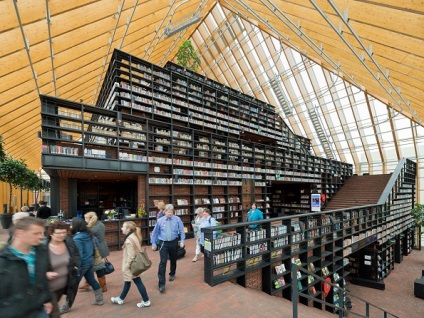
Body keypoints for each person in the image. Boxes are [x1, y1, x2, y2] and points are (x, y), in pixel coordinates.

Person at [0, 217, 53, 318]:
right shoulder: (3, 259)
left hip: (38, 309)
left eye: (42, 233)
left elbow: (41, 278)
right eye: (36, 233)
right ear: (19, 233)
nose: (41, 237)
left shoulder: (41, 251)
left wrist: (46, 299)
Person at [60, 218, 104, 314]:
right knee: (91, 280)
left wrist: (76, 267)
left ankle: (66, 306)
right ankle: (99, 299)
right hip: (90, 261)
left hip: (82, 264)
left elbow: (78, 254)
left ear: (76, 226)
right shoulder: (89, 235)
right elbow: (96, 244)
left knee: (73, 285)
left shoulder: (77, 239)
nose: (70, 226)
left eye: (71, 225)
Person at [111, 221, 151, 308]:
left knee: (136, 281)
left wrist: (126, 267)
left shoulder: (128, 240)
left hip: (132, 265)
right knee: (128, 281)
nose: (121, 228)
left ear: (128, 229)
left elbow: (131, 256)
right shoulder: (133, 236)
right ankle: (121, 298)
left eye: (123, 227)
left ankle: (146, 300)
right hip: (134, 264)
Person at [46, 222, 80, 318]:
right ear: (51, 233)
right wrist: (45, 273)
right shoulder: (44, 247)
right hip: (48, 288)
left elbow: (76, 254)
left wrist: (75, 264)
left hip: (62, 287)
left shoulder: (68, 242)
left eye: (64, 232)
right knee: (54, 314)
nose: (62, 235)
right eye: (58, 233)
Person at [150, 204, 185, 293]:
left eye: (171, 212)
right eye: (168, 212)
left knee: (173, 259)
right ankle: (161, 284)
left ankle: (172, 273)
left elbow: (181, 231)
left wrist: (182, 241)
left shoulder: (177, 219)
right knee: (163, 262)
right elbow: (154, 233)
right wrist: (153, 243)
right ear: (164, 211)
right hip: (163, 243)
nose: (170, 213)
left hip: (173, 242)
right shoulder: (160, 221)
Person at [83, 211, 110, 292]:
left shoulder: (92, 228)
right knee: (92, 266)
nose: (85, 220)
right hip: (101, 246)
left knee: (98, 268)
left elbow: (89, 233)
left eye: (86, 218)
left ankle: (102, 286)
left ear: (90, 218)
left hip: (97, 249)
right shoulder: (100, 224)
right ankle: (87, 284)